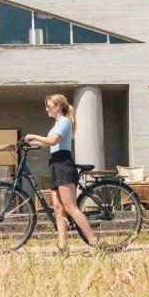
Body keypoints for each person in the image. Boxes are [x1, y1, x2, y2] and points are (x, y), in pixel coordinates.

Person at [23, 94, 98, 252]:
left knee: (70, 207)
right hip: (55, 163)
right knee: (58, 208)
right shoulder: (57, 124)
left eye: (49, 106)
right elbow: (50, 144)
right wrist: (30, 144)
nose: (47, 109)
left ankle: (94, 242)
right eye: (47, 106)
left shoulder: (64, 121)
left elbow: (53, 141)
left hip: (63, 164)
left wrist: (33, 136)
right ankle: (63, 246)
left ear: (58, 106)